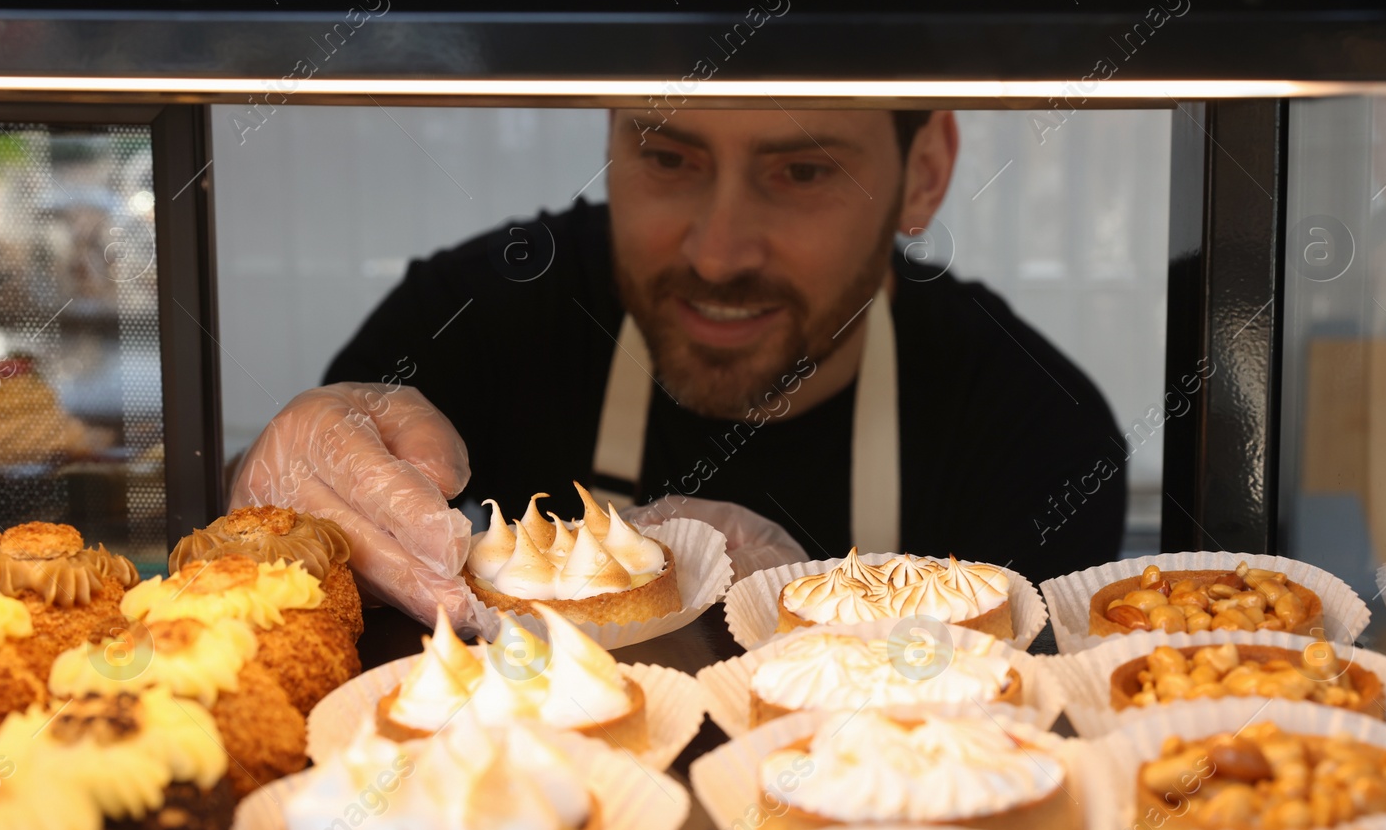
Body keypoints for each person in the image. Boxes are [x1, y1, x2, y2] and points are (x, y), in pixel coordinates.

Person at [229, 109, 1125, 629]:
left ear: (923, 175)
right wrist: (278, 495)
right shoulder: (479, 313)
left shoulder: (1034, 428)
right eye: (667, 157)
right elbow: (289, 574)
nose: (718, 252)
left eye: (802, 170)